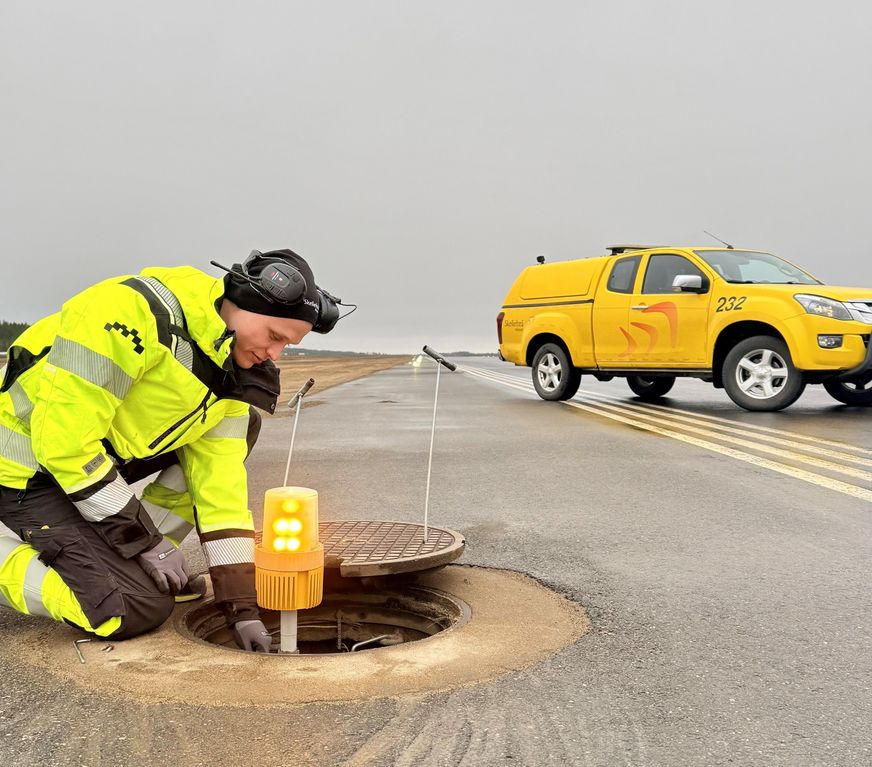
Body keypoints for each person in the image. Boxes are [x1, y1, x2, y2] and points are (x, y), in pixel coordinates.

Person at [0, 249, 338, 652]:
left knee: (245, 425)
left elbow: (220, 491)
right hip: (24, 467)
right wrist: (145, 544)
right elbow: (66, 445)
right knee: (129, 607)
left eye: (288, 345)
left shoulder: (230, 374)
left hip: (90, 462)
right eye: (275, 336)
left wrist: (241, 607)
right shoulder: (128, 313)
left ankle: (146, 567)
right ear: (244, 303)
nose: (275, 354)